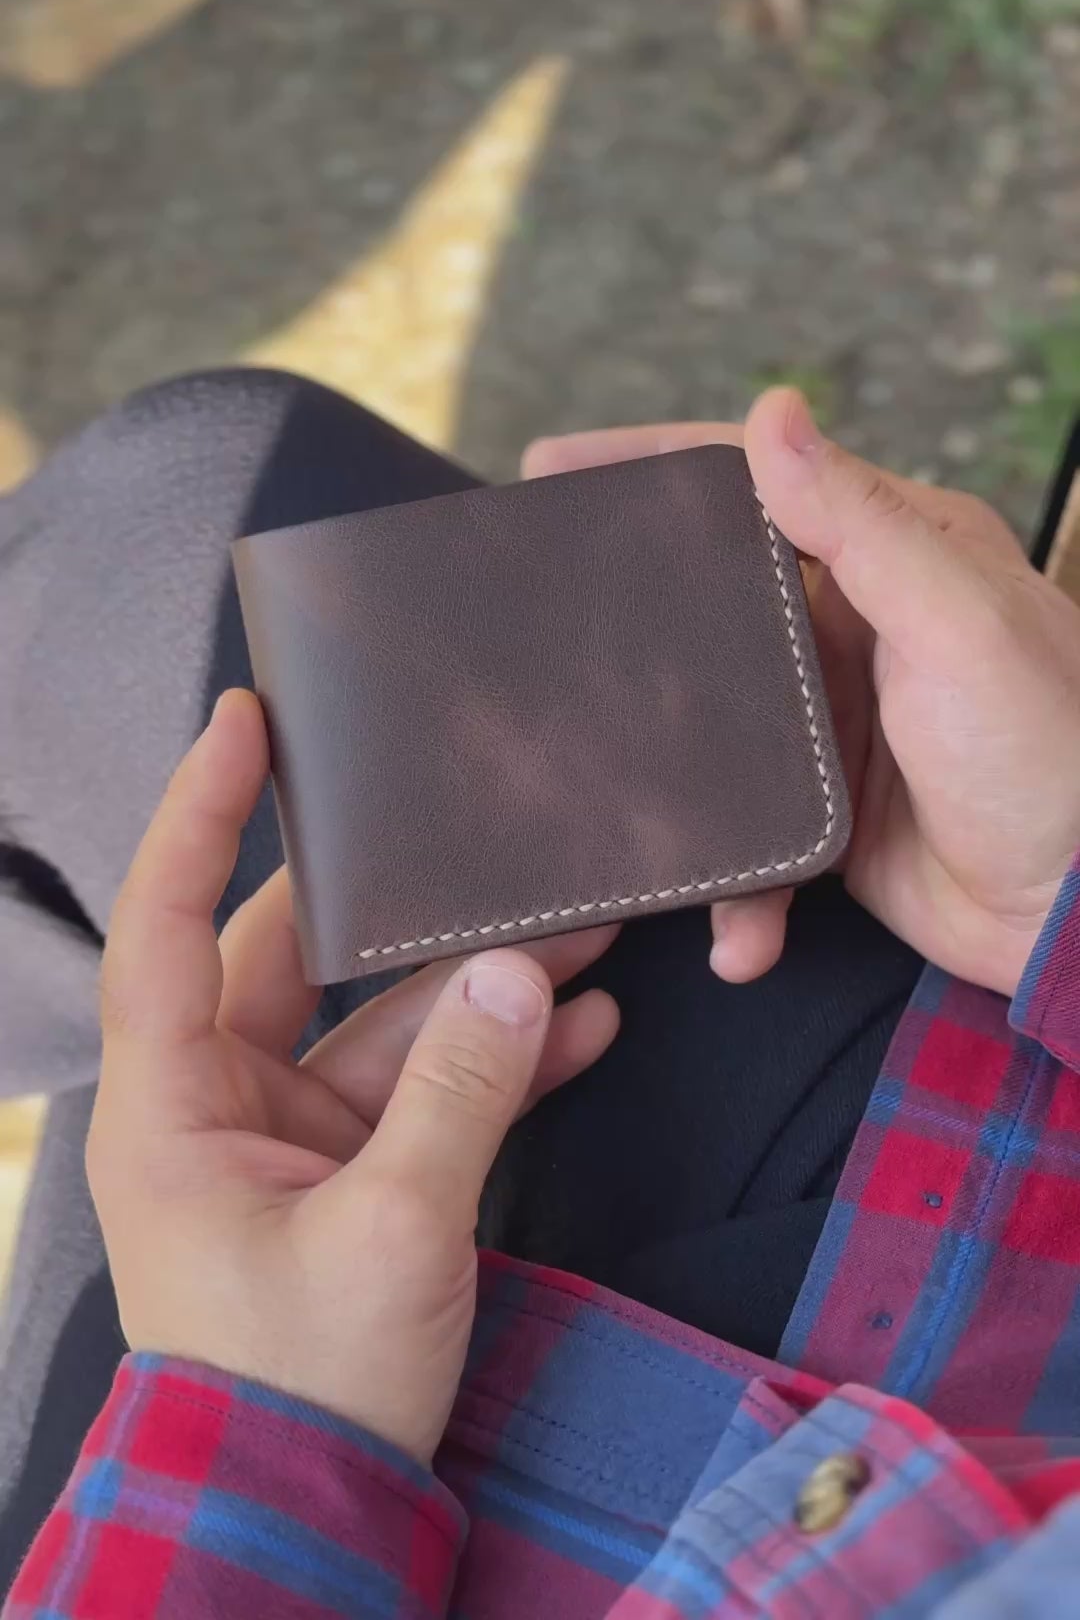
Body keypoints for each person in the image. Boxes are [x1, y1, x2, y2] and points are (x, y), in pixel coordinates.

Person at [1, 369, 1079, 1619]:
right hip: (999, 1201)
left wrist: (260, 1429)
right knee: (190, 511)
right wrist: (1056, 889)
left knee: (170, 530)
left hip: (466, 1505)